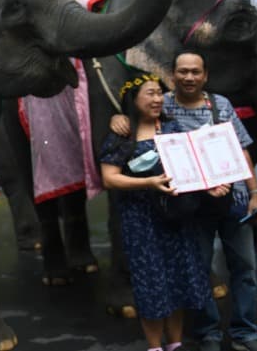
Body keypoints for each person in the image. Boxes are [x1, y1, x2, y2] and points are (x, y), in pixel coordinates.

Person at [111, 50, 257, 351]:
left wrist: (254, 193)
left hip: (232, 197)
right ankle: (208, 332)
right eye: (182, 71)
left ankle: (245, 333)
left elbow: (242, 149)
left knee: (245, 268)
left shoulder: (219, 104)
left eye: (195, 71)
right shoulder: (163, 104)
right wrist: (119, 116)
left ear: (205, 75)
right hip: (193, 204)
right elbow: (136, 111)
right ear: (173, 75)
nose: (189, 77)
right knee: (198, 270)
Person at [99, 73, 222, 351]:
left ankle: (175, 343)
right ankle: (155, 346)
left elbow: (195, 165)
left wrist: (210, 186)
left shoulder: (173, 129)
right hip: (141, 222)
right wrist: (148, 183)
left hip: (177, 219)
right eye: (150, 93)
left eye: (159, 94)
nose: (157, 99)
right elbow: (110, 178)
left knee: (177, 280)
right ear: (134, 99)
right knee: (151, 284)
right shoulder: (122, 135)